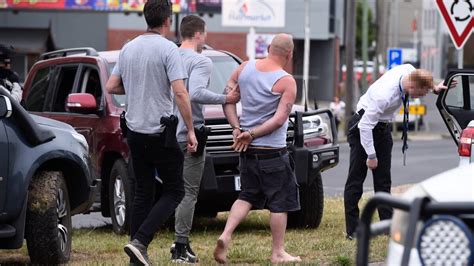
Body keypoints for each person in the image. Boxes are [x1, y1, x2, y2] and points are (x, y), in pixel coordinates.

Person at [105, 0, 197, 265]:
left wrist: (136, 88)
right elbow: (180, 92)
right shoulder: (169, 49)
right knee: (175, 190)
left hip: (134, 131)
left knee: (144, 192)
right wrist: (190, 130)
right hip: (161, 132)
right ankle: (140, 241)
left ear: (146, 18)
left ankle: (137, 257)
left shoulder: (128, 47)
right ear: (168, 20)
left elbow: (112, 85)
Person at [213, 33, 302, 264]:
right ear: (289, 54)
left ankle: (226, 234)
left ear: (270, 47)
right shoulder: (286, 81)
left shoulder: (244, 68)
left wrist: (236, 128)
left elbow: (228, 98)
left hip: (247, 151)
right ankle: (278, 252)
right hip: (272, 151)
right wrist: (250, 134)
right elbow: (280, 119)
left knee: (246, 195)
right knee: (279, 202)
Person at [343, 64, 450, 240]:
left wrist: (434, 88)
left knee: (383, 181)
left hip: (383, 128)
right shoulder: (384, 95)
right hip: (363, 127)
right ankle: (353, 230)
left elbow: (421, 79)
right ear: (412, 87)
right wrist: (371, 156)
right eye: (420, 94)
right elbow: (364, 127)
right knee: (356, 180)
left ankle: (387, 226)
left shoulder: (409, 71)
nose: (419, 98)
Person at [170, 15, 239, 263]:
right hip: (189, 133)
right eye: (205, 33)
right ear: (199, 34)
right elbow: (196, 93)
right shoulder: (200, 61)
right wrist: (226, 99)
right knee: (189, 193)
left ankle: (165, 241)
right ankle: (180, 245)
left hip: (165, 133)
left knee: (171, 191)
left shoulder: (169, 56)